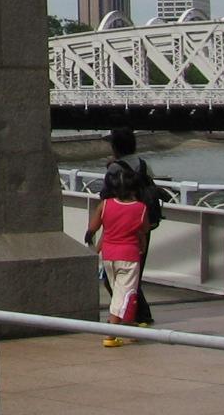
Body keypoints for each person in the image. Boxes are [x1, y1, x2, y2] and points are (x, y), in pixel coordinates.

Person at [94, 127, 157, 325]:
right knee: (133, 274)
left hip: (118, 231)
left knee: (113, 278)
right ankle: (135, 315)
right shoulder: (143, 164)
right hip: (141, 224)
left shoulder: (114, 170)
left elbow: (106, 199)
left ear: (115, 146)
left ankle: (130, 316)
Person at [86, 158, 150, 347]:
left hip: (109, 255)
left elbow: (93, 227)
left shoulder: (105, 205)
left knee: (119, 293)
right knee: (128, 294)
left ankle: (128, 327)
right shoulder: (140, 208)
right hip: (129, 255)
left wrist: (92, 240)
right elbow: (144, 228)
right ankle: (111, 334)